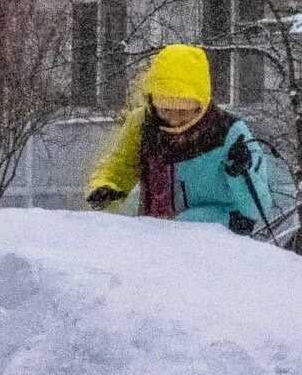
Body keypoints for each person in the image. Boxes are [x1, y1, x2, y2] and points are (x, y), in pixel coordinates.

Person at [84, 43, 288, 236]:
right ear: (152, 102)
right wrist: (106, 186)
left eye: (182, 111)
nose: (173, 120)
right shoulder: (142, 123)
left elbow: (257, 209)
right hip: (155, 238)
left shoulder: (230, 133)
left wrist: (240, 173)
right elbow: (122, 165)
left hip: (216, 241)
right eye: (165, 109)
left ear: (202, 102)